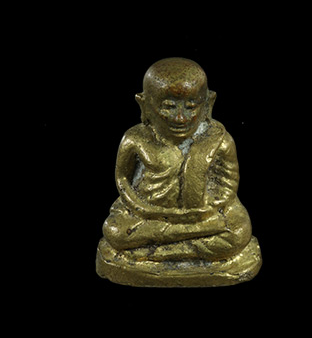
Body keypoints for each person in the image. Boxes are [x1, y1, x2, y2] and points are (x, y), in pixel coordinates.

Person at [96, 57, 261, 286]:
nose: (181, 118)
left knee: (238, 232)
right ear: (144, 105)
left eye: (191, 106)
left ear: (208, 103)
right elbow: (122, 178)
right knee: (115, 231)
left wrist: (211, 208)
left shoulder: (219, 140)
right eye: (169, 106)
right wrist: (141, 208)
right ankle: (187, 246)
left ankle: (154, 254)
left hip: (203, 215)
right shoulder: (135, 139)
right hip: (148, 215)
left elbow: (228, 182)